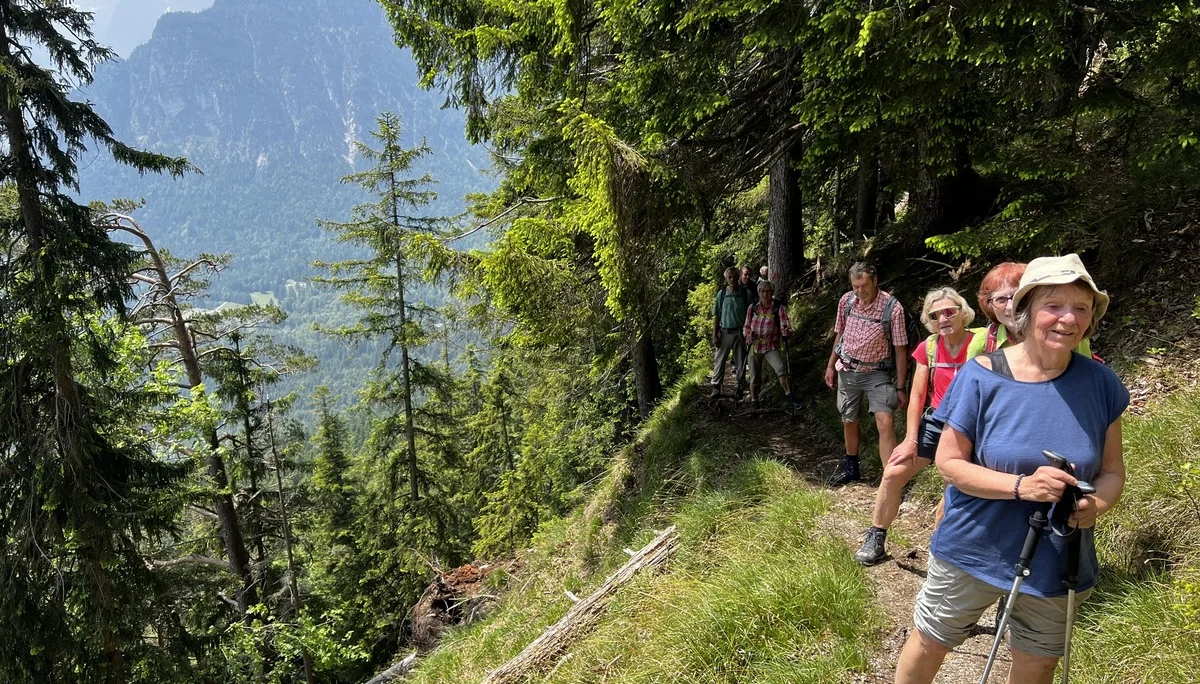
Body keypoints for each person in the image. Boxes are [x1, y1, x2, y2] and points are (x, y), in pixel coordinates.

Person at [894, 254, 1128, 684]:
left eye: (1081, 307)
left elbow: (1113, 471)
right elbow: (949, 463)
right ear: (1026, 311)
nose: (1068, 318)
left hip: (1057, 558)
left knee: (1038, 663)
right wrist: (1023, 486)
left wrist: (1098, 502)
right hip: (972, 547)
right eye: (1054, 305)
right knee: (931, 641)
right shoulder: (982, 375)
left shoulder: (1102, 384)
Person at [854, 287, 975, 565]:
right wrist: (910, 439)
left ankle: (940, 550)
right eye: (936, 315)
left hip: (969, 427)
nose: (944, 319)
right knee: (893, 472)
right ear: (929, 321)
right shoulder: (929, 348)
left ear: (961, 312)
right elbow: (917, 397)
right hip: (935, 422)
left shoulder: (980, 344)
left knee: (954, 487)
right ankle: (876, 537)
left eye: (949, 312)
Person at [824, 262, 909, 485]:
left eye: (864, 286)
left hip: (877, 373)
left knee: (885, 420)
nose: (860, 291)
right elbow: (839, 334)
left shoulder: (893, 308)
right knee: (849, 419)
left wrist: (901, 387)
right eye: (855, 286)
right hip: (847, 370)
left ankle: (890, 479)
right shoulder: (847, 301)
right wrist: (831, 365)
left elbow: (901, 350)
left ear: (875, 280)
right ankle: (851, 467)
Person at [967, 261, 1093, 359]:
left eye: (1018, 297)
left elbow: (1087, 381)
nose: (1011, 306)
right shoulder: (982, 343)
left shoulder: (1066, 335)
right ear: (989, 305)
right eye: (1001, 300)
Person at [743, 280, 802, 408]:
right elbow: (747, 326)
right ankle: (754, 401)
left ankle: (789, 396)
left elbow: (785, 325)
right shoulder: (752, 308)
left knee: (781, 369)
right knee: (754, 376)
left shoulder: (778, 309)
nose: (765, 294)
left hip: (771, 346)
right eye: (763, 291)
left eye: (768, 291)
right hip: (755, 346)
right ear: (758, 293)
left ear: (772, 292)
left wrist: (786, 332)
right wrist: (748, 336)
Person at [710, 266, 754, 397]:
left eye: (735, 277)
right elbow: (716, 315)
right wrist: (714, 335)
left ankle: (740, 387)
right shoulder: (722, 294)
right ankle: (716, 387)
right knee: (719, 360)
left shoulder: (746, 294)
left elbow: (751, 314)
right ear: (726, 278)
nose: (732, 279)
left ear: (738, 277)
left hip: (740, 332)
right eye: (729, 277)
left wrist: (749, 333)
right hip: (724, 332)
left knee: (741, 361)